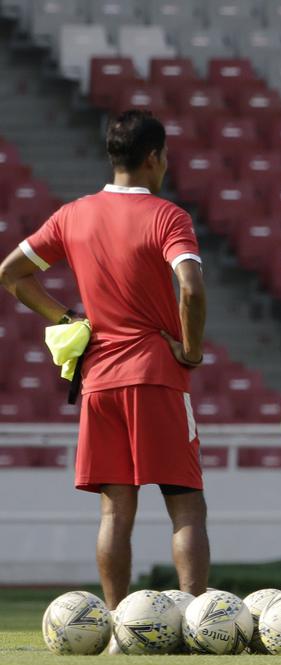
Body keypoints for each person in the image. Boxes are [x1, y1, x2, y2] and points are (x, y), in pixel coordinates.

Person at [0, 110, 209, 611]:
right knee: (186, 507)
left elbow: (10, 272)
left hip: (99, 381)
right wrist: (191, 350)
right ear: (154, 157)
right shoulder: (167, 216)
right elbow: (192, 287)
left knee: (115, 513)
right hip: (156, 376)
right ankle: (197, 621)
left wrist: (67, 318)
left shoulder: (72, 215)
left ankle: (118, 625)